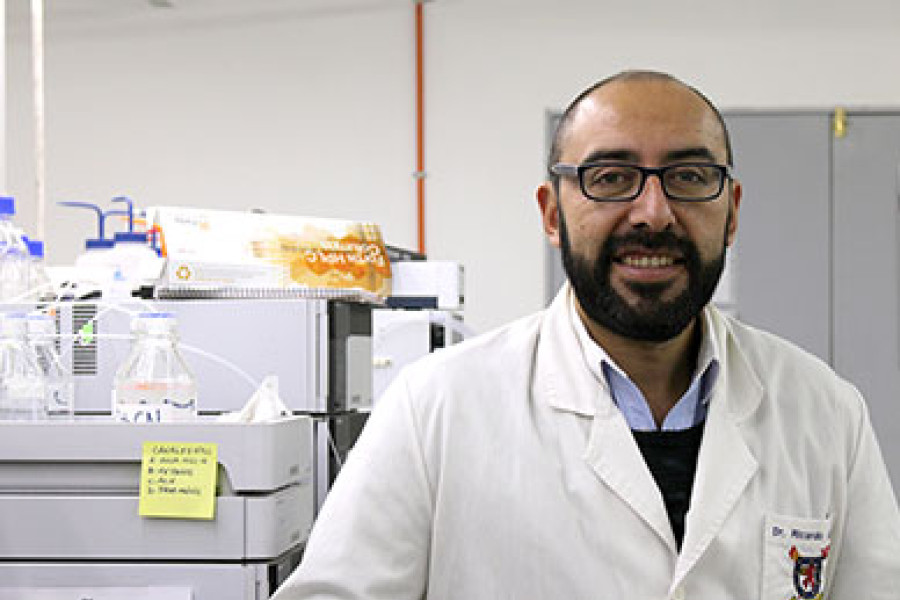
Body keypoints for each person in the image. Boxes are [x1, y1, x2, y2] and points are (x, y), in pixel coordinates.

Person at [273, 70, 900, 599]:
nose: (653, 213)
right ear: (553, 214)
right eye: (610, 177)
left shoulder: (825, 412)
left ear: (731, 211)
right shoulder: (434, 408)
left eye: (687, 176)